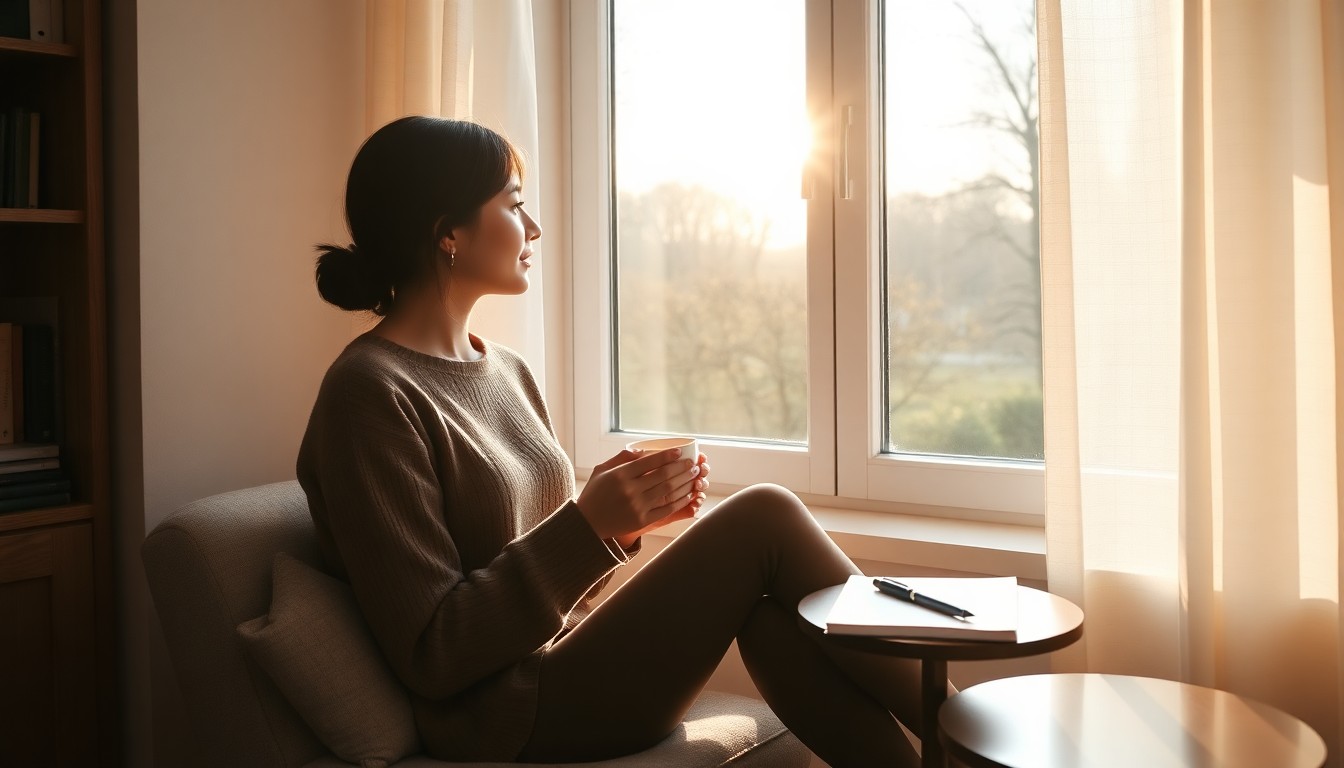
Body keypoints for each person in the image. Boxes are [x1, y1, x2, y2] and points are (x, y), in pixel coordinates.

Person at [297, 115, 925, 767]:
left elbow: (552, 579)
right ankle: (976, 739)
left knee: (773, 626)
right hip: (504, 717)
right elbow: (435, 650)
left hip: (567, 660)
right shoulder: (368, 393)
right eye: (514, 206)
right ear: (448, 233)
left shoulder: (505, 369)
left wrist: (619, 529)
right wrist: (586, 525)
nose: (533, 228)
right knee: (766, 514)